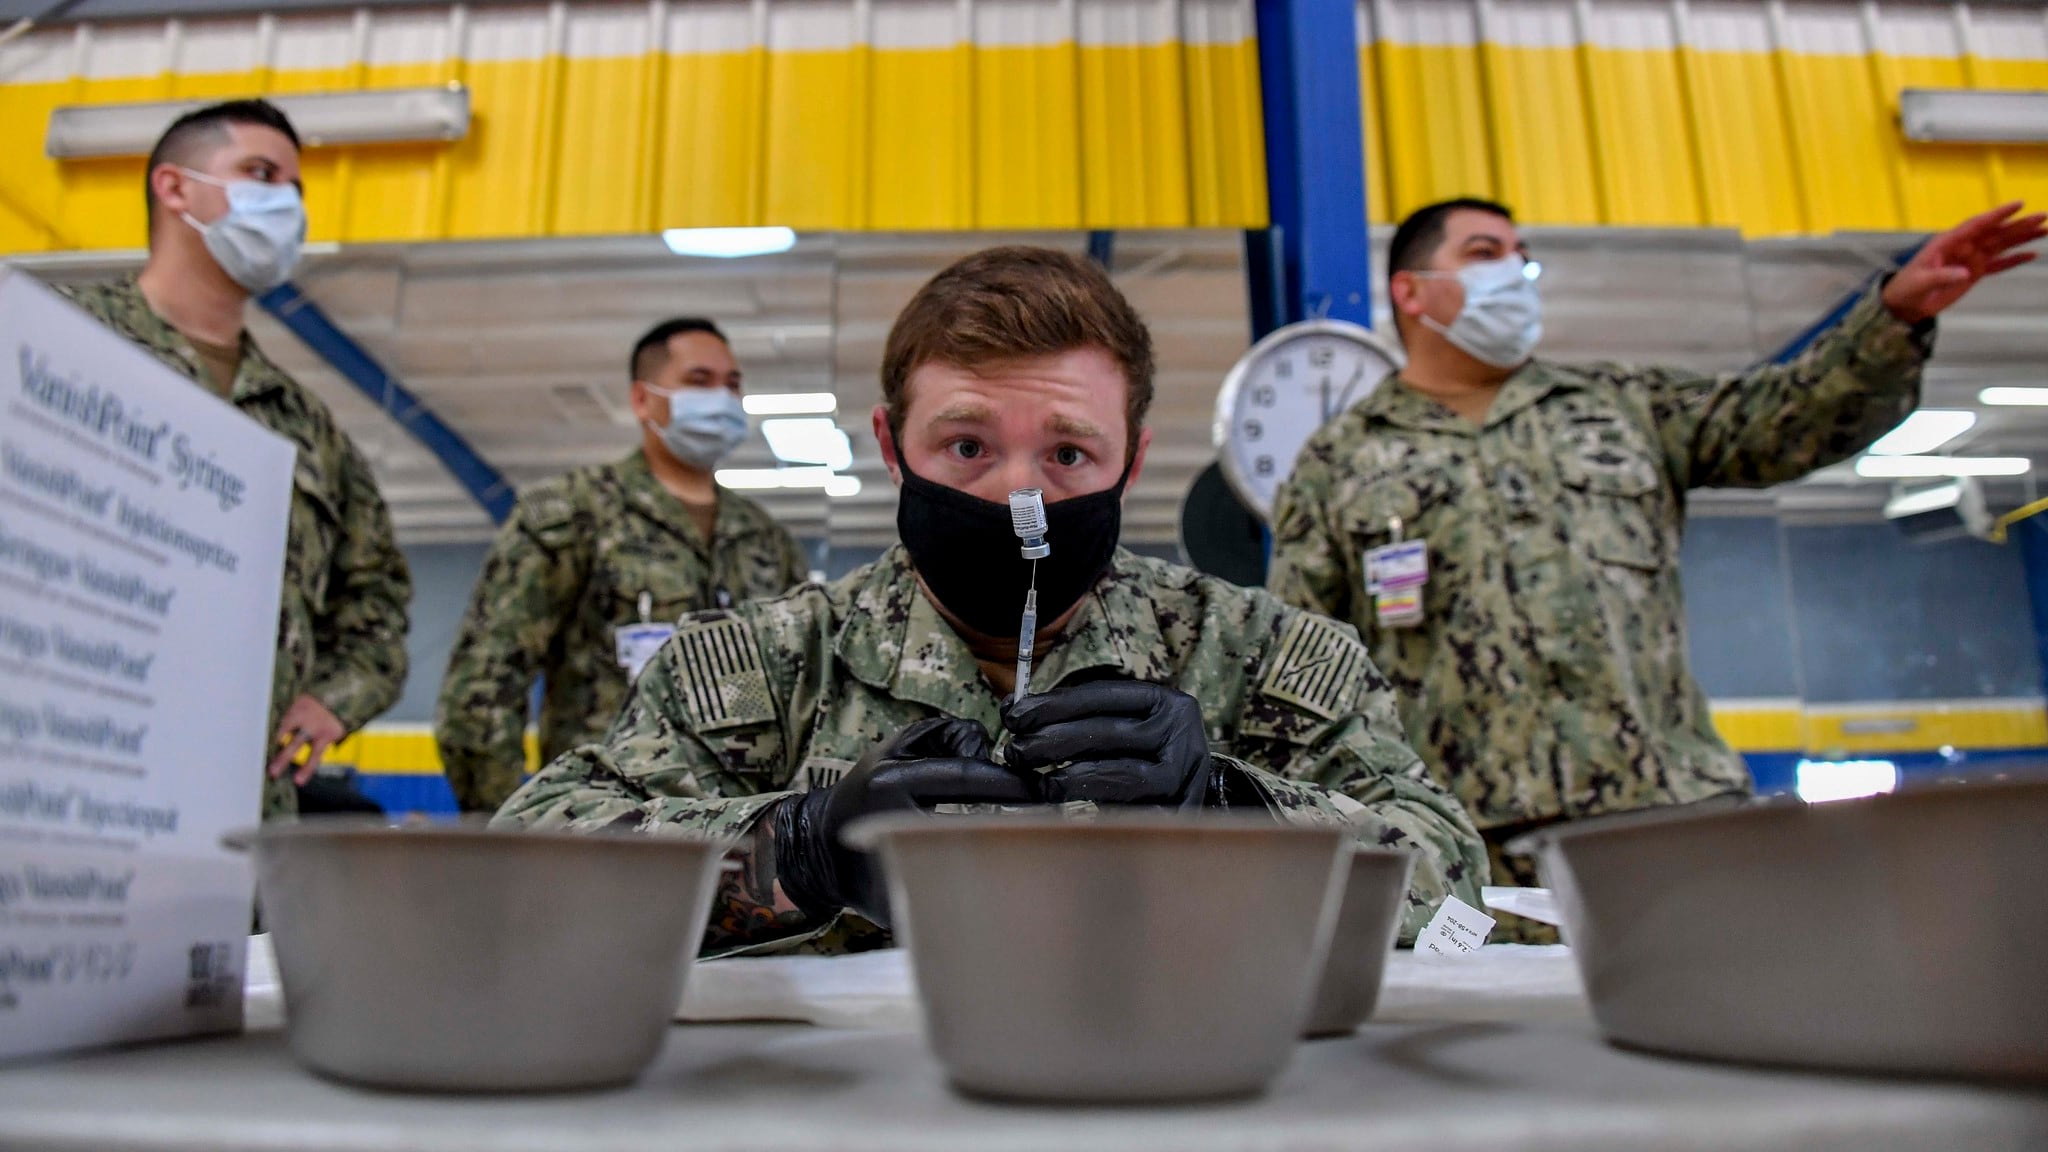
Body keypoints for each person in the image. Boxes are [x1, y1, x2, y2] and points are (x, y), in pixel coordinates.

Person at [495, 246, 1486, 956]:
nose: (1020, 496)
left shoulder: (1268, 658)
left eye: (1067, 452)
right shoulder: (754, 671)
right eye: (967, 446)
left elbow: (1458, 893)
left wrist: (1238, 813)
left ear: (1130, 462)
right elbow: (525, 875)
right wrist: (792, 850)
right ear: (892, 448)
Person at [1267, 196, 2044, 935]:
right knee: (1489, 1047)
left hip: (1668, 823)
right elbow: (1306, 673)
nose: (1514, 271)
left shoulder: (1620, 406)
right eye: (1484, 253)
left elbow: (1781, 420)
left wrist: (1894, 315)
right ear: (1412, 290)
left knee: (1722, 1030)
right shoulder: (1341, 461)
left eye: (1522, 257)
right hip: (1466, 855)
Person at [58, 99, 413, 822]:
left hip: (246, 815)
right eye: (260, 173)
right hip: (75, 782)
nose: (284, 201)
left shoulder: (307, 428)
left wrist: (334, 699)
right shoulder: (61, 343)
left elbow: (377, 603)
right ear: (174, 186)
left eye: (295, 187)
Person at [435, 319, 807, 812]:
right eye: (699, 382)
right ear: (641, 399)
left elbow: (805, 694)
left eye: (732, 384)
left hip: (740, 833)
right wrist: (516, 829)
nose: (721, 398)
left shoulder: (765, 540)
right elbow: (482, 687)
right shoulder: (574, 515)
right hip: (606, 830)